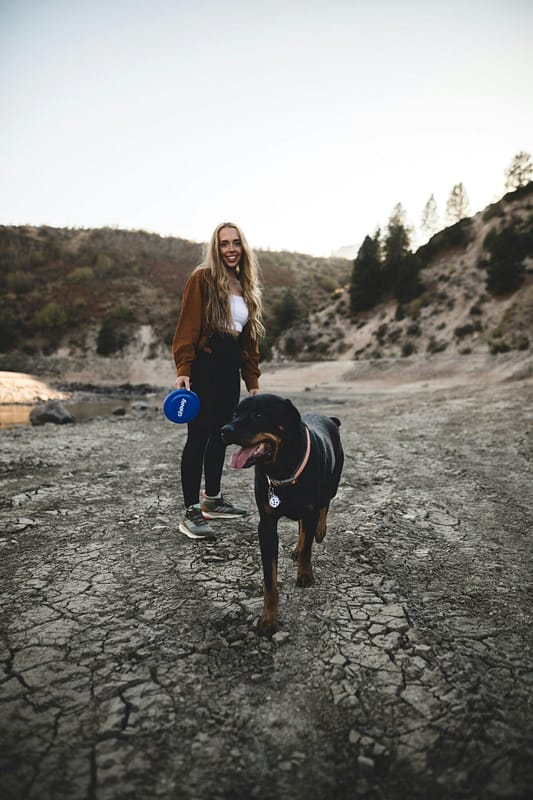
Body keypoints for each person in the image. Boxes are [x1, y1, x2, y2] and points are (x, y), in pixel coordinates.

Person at [172, 222, 264, 540]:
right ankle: (190, 512)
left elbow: (249, 341)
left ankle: (212, 500)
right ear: (215, 247)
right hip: (205, 369)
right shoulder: (202, 279)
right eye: (224, 244)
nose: (230, 249)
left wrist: (251, 380)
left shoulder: (245, 285)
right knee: (198, 437)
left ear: (243, 247)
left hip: (230, 373)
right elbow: (187, 327)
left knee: (221, 436)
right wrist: (184, 370)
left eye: (235, 243)